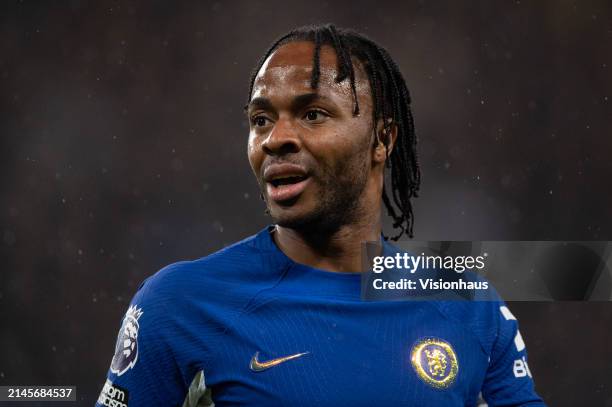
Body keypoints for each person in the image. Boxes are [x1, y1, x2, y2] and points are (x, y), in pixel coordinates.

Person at [96, 24, 545, 406]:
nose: (275, 138)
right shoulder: (179, 305)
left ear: (382, 139)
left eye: (312, 114)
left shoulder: (466, 304)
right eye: (260, 120)